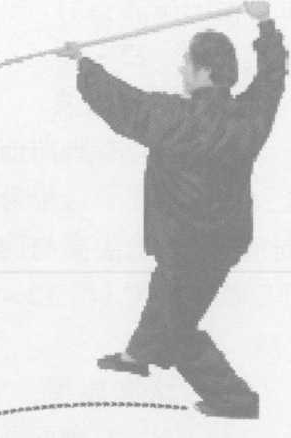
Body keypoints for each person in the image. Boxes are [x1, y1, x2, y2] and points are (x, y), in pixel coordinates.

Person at [56, 1, 287, 419]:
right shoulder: (249, 116)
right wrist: (265, 23)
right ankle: (137, 356)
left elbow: (124, 105)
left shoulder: (176, 118)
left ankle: (236, 401)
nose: (182, 69)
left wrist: (82, 63)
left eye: (187, 63)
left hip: (185, 245)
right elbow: (272, 79)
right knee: (167, 292)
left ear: (204, 71)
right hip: (224, 242)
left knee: (179, 325)